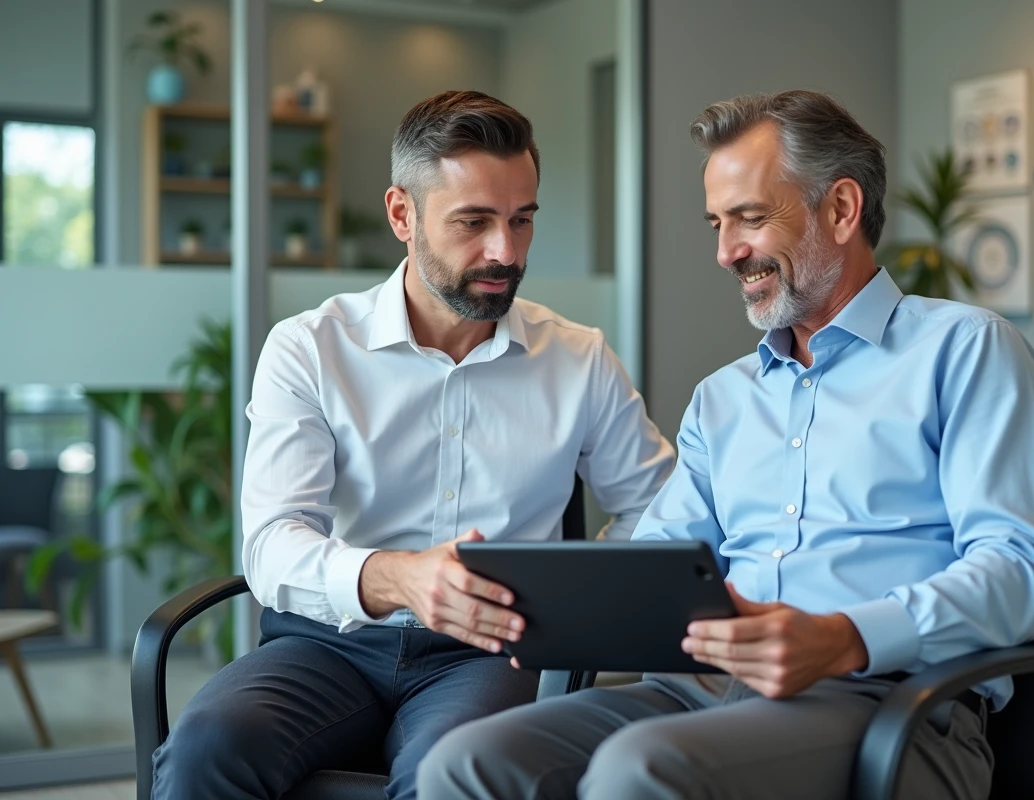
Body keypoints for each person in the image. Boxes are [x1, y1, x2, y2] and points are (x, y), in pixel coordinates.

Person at [418, 89, 1034, 800]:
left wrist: (847, 636)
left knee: (640, 770)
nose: (728, 252)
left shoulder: (966, 351)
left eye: (751, 219)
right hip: (704, 694)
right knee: (466, 762)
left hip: (887, 704)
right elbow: (657, 567)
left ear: (842, 210)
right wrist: (556, 603)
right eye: (718, 224)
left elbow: (1023, 571)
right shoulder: (724, 398)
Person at [150, 90, 674, 800]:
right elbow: (272, 543)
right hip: (324, 643)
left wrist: (566, 595)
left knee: (451, 773)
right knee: (209, 745)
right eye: (474, 222)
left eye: (522, 221)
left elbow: (661, 513)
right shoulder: (310, 348)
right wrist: (399, 579)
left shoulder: (578, 360)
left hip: (493, 650)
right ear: (403, 214)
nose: (506, 252)